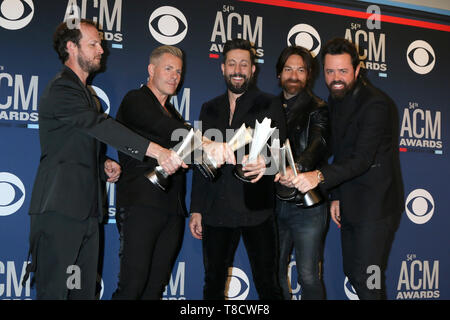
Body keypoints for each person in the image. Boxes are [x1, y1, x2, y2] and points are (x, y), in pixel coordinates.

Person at [24, 20, 186, 300]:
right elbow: (98, 125)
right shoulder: (62, 89)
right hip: (59, 210)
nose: (102, 48)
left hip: (88, 213)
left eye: (100, 43)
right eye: (93, 44)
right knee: (56, 293)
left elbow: (75, 143)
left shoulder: (89, 96)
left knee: (82, 294)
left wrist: (102, 165)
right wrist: (158, 151)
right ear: (71, 48)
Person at [292, 38, 403, 300]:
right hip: (352, 201)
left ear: (357, 68)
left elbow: (361, 159)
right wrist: (338, 196)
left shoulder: (375, 104)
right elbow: (339, 152)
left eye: (342, 71)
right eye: (330, 71)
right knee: (354, 275)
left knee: (369, 280)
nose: (336, 78)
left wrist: (318, 176)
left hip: (377, 207)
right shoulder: (335, 101)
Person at [111, 46, 221, 299]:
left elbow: (194, 155)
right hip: (140, 205)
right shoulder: (135, 100)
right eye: (168, 68)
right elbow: (164, 128)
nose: (175, 76)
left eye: (179, 71)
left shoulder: (175, 115)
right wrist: (207, 142)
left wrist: (226, 154)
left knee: (155, 288)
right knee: (132, 285)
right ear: (151, 70)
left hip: (171, 211)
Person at [189, 38, 285, 300]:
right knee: (212, 284)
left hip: (257, 209)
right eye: (232, 63)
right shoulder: (208, 108)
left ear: (253, 69)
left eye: (244, 64)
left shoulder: (269, 103)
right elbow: (200, 159)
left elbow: (281, 153)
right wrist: (196, 208)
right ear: (222, 68)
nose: (237, 69)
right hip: (215, 209)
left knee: (268, 284)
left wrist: (266, 162)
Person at [273, 46, 329, 300]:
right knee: (274, 272)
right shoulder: (267, 107)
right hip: (272, 204)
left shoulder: (319, 107)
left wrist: (295, 169)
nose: (293, 75)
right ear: (279, 74)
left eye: (300, 69)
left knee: (307, 275)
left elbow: (319, 145)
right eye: (288, 69)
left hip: (307, 205)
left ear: (309, 75)